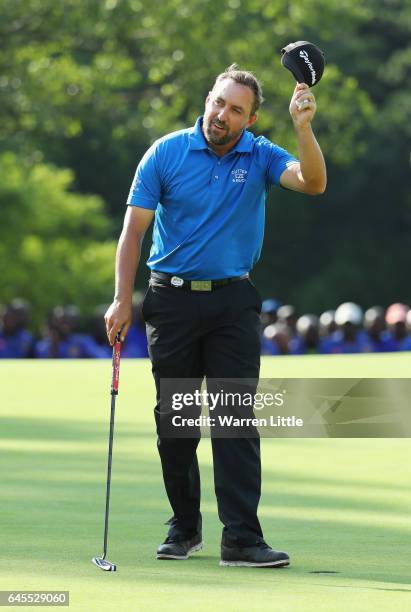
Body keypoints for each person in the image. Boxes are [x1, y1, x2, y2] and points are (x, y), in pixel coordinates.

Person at [105, 64, 326, 567]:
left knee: (234, 418)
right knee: (176, 420)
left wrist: (304, 127)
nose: (221, 115)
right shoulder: (166, 152)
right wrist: (121, 298)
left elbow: (313, 182)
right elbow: (133, 231)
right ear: (207, 98)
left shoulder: (262, 154)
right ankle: (185, 527)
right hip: (172, 301)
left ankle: (242, 538)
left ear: (251, 120)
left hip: (233, 302)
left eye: (235, 110)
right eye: (218, 103)